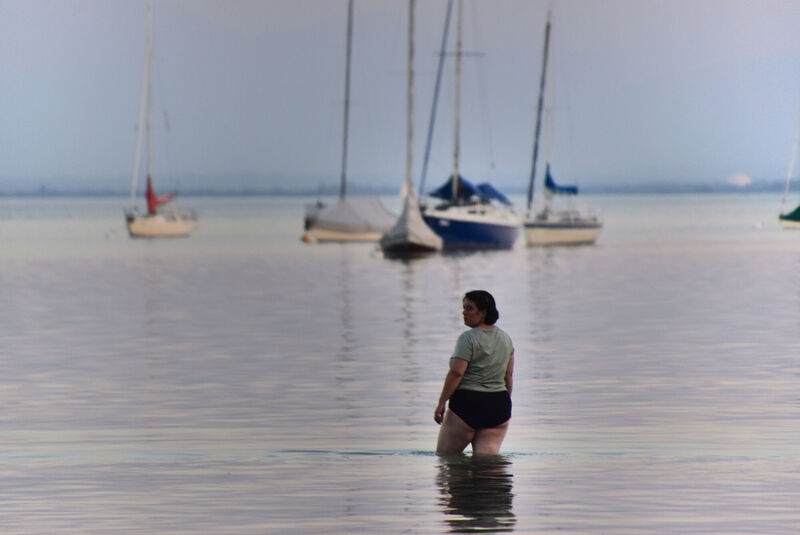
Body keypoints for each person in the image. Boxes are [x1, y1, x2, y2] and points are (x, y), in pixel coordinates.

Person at [434, 290, 515, 455]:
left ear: (483, 313)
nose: (464, 312)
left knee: (446, 457)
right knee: (488, 464)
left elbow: (457, 373)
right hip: (498, 405)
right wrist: (503, 403)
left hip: (468, 404)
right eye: (463, 308)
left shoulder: (468, 338)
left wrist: (442, 402)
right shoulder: (506, 338)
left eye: (469, 308)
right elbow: (508, 376)